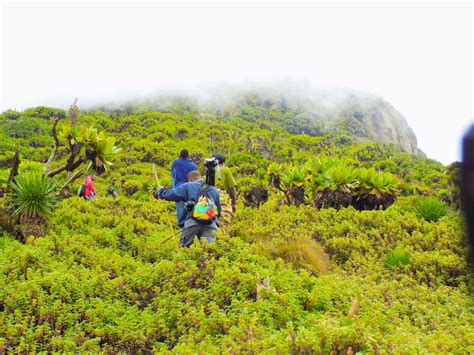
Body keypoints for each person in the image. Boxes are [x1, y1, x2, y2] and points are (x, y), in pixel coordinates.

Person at [155, 170, 221, 248]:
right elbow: (218, 211)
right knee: (209, 251)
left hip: (192, 223)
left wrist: (161, 191)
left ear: (190, 179)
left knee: (185, 250)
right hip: (211, 225)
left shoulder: (189, 186)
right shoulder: (213, 189)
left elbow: (172, 195)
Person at [171, 149, 197, 227]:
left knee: (180, 208)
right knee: (190, 207)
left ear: (180, 155)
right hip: (189, 189)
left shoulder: (175, 163)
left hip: (178, 187)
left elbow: (173, 175)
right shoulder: (192, 165)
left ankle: (181, 227)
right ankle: (190, 225)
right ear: (188, 156)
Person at [211, 154, 237, 231]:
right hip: (221, 196)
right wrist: (234, 203)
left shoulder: (209, 171)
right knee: (224, 222)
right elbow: (232, 188)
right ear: (223, 163)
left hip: (209, 196)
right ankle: (223, 239)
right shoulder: (225, 170)